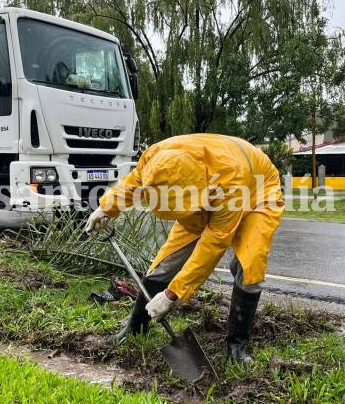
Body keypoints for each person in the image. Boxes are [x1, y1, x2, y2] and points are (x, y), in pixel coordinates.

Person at [84, 133, 285, 363]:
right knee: (167, 260)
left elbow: (212, 246)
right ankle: (136, 326)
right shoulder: (155, 160)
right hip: (206, 189)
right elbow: (132, 184)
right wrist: (106, 208)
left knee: (250, 262)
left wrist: (172, 295)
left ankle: (237, 345)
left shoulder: (230, 180)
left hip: (257, 189)